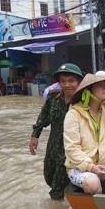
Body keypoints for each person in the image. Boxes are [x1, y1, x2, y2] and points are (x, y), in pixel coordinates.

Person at [29, 63, 84, 200]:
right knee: (48, 178)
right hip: (52, 148)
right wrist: (35, 135)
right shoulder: (53, 98)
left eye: (71, 81)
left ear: (79, 82)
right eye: (63, 81)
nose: (67, 85)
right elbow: (43, 117)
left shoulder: (84, 102)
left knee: (56, 190)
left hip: (69, 152)